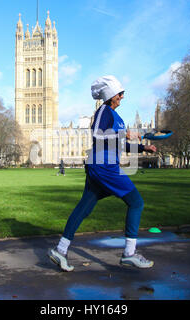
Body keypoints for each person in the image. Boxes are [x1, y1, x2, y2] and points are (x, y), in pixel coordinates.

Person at [48, 75, 157, 272]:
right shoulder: (103, 111)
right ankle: (129, 254)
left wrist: (142, 148)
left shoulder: (116, 117)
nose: (123, 97)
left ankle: (60, 250)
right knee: (136, 202)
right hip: (104, 167)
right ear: (111, 95)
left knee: (85, 207)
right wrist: (126, 134)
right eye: (120, 93)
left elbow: (119, 143)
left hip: (101, 167)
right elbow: (98, 134)